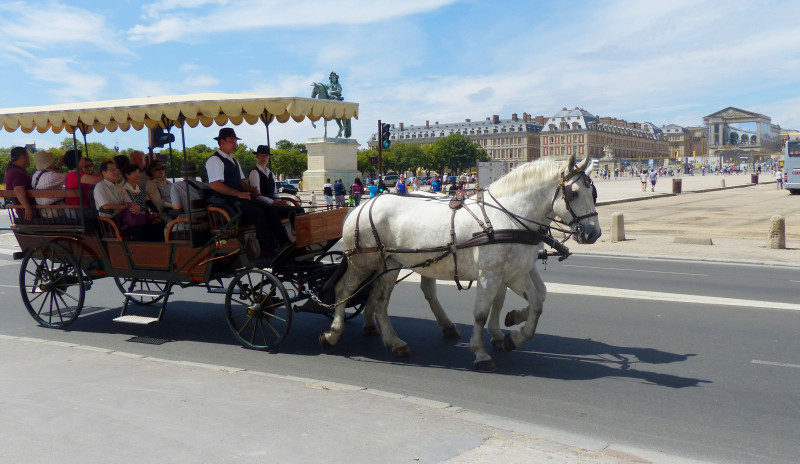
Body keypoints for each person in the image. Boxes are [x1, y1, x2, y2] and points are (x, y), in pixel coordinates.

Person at [205, 127, 293, 263]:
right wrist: (239, 193)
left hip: (237, 199)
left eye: (235, 141)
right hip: (225, 202)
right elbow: (215, 185)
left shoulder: (234, 160)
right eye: (232, 141)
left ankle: (285, 243)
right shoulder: (214, 160)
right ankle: (268, 249)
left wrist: (252, 189)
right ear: (222, 142)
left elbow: (241, 182)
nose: (235, 144)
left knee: (269, 208)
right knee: (257, 211)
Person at [247, 145, 304, 218]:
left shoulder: (271, 173)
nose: (264, 158)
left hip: (273, 204)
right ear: (257, 156)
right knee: (295, 211)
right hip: (263, 206)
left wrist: (280, 201)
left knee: (299, 210)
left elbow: (275, 193)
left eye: (266, 156)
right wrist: (274, 202)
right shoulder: (254, 172)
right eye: (262, 155)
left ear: (269, 157)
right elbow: (257, 196)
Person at [121, 163, 165, 241]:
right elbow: (130, 208)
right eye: (135, 173)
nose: (138, 175)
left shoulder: (141, 189)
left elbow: (149, 202)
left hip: (145, 216)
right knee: (143, 230)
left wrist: (153, 215)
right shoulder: (123, 190)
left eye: (138, 173)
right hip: (133, 219)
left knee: (160, 223)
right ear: (127, 175)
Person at [5, 147, 34, 220]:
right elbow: (18, 190)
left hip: (22, 211)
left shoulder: (11, 170)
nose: (29, 159)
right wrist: (27, 207)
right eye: (28, 156)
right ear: (22, 157)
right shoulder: (17, 173)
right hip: (30, 212)